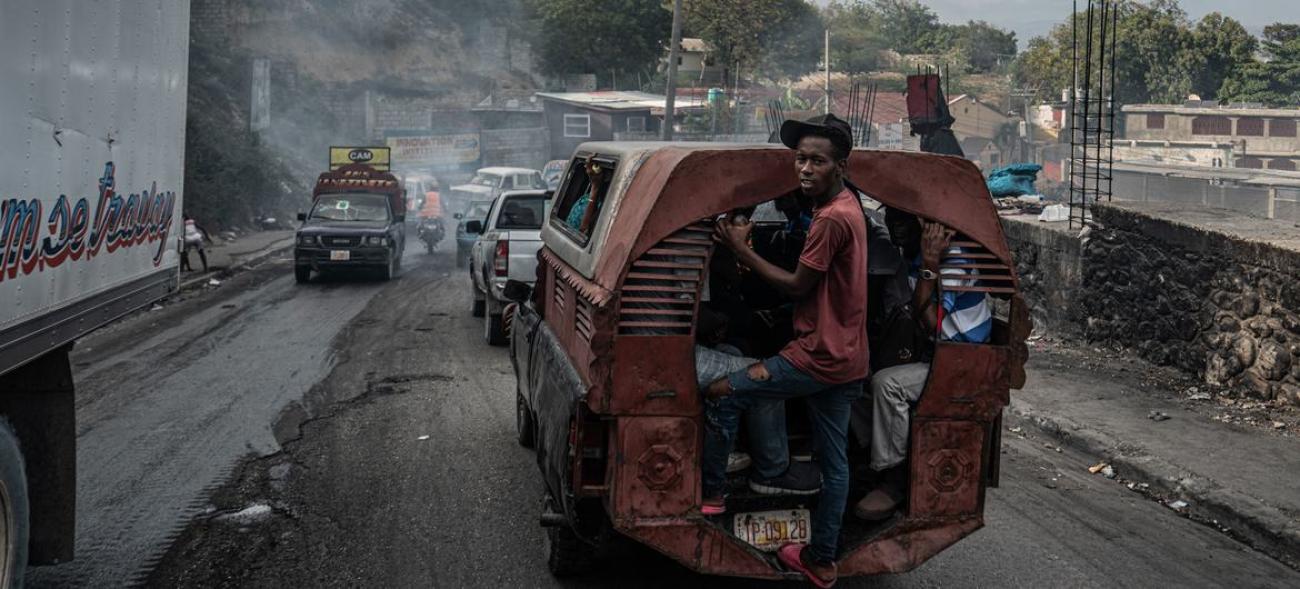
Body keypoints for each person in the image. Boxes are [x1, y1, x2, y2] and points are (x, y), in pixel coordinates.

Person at [703, 114, 868, 588]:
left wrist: (739, 248)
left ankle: (713, 494)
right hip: (848, 358)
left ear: (841, 165)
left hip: (816, 357)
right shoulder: (849, 207)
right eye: (800, 159)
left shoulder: (831, 219)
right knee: (834, 463)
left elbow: (797, 286)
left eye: (817, 160)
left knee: (721, 392)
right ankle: (820, 559)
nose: (805, 169)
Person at [853, 208, 991, 521]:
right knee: (855, 374)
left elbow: (932, 327)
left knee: (887, 384)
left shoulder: (954, 260)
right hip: (937, 356)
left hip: (960, 363)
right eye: (892, 218)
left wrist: (930, 265)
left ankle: (894, 479)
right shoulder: (913, 257)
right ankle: (870, 458)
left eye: (904, 220)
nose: (894, 227)